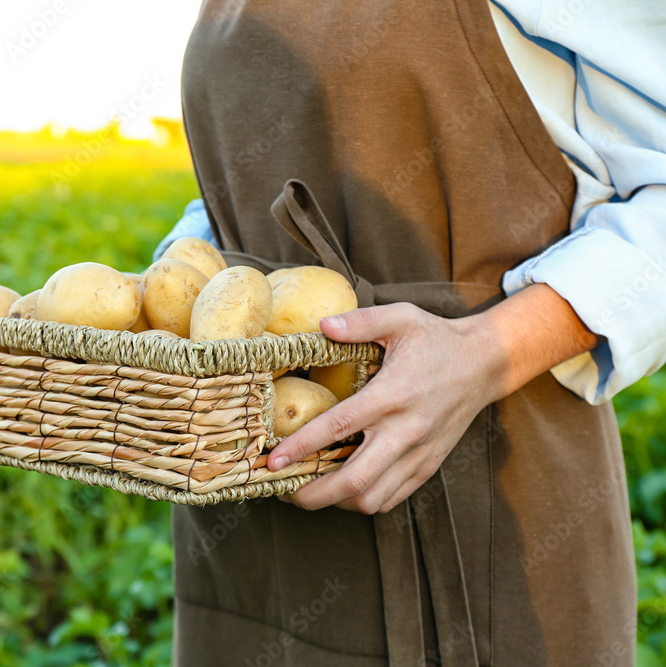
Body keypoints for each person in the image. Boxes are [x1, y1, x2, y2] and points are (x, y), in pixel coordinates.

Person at [159, 1, 666, 665]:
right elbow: (248, 191)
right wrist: (171, 288)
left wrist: (486, 351)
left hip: (486, 485)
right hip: (246, 511)